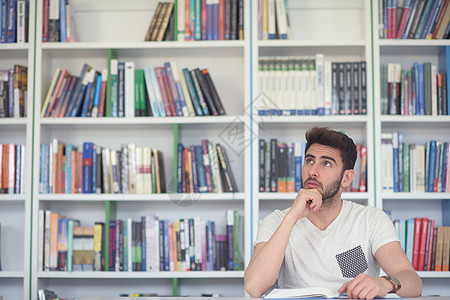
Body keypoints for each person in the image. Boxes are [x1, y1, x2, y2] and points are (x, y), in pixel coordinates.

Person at [244, 127, 422, 299]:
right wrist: (292, 217)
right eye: (310, 161)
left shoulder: (370, 219)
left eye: (326, 163)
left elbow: (413, 282)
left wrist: (386, 283)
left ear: (346, 178)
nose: (313, 172)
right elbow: (254, 287)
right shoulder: (276, 221)